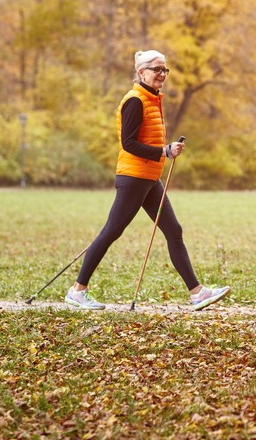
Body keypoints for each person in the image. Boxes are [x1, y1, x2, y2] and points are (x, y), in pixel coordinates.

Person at [65, 49, 230, 311]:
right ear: (141, 72)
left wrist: (165, 149)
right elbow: (128, 144)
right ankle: (77, 291)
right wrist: (163, 151)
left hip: (150, 178)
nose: (162, 74)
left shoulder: (152, 100)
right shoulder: (135, 100)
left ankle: (197, 293)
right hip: (133, 177)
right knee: (112, 231)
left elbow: (147, 139)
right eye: (156, 69)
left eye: (165, 70)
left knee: (174, 231)